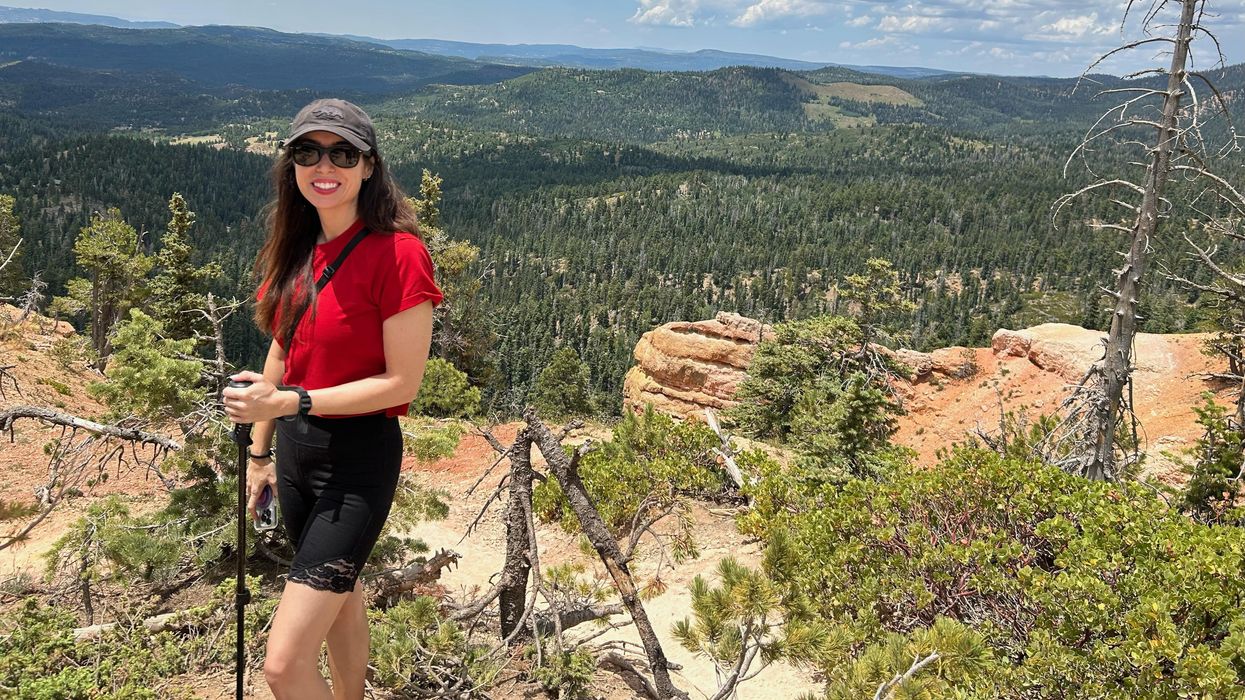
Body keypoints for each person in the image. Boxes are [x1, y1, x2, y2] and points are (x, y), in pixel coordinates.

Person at [222, 98, 442, 700]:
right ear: (291, 164)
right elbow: (281, 350)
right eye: (308, 151)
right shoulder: (298, 249)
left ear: (369, 167)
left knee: (283, 665)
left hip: (357, 462)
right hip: (293, 459)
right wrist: (260, 455)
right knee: (342, 599)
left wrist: (289, 404)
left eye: (343, 153)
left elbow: (402, 385)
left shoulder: (399, 255)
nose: (326, 165)